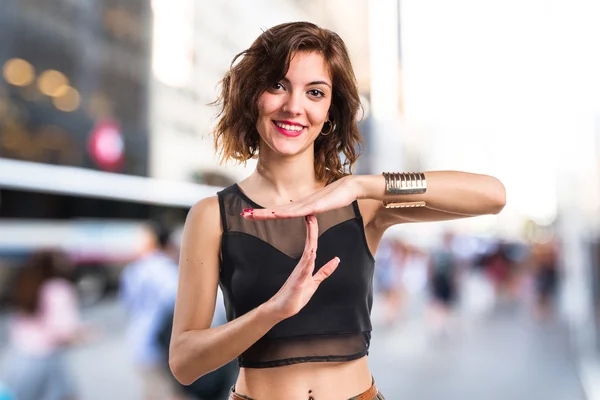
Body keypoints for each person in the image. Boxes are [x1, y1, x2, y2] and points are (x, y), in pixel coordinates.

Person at [169, 21, 506, 400]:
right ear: (252, 94)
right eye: (278, 85)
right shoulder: (213, 216)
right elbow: (184, 363)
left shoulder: (362, 204)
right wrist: (273, 311)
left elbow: (491, 195)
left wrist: (361, 184)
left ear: (330, 110)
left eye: (315, 92)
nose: (294, 106)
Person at [3, 249, 87, 400]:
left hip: (20, 359)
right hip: (47, 360)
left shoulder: (25, 283)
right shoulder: (58, 289)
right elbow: (63, 331)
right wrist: (85, 334)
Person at [119, 223, 183, 400]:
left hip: (139, 339)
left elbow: (128, 302)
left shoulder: (133, 269)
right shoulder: (165, 269)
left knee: (152, 391)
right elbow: (176, 304)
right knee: (169, 392)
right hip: (160, 344)